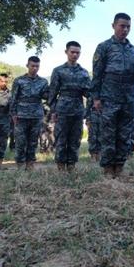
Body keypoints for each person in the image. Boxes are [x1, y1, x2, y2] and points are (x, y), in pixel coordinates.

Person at [90, 13, 134, 178]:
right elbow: (97, 74)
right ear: (113, 25)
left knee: (124, 134)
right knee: (108, 134)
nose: (125, 29)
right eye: (122, 26)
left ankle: (119, 166)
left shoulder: (133, 50)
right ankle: (108, 168)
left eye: (128, 27)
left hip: (128, 98)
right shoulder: (104, 47)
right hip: (109, 97)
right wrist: (96, 98)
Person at [48, 41, 91, 172]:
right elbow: (53, 93)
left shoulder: (84, 73)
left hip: (78, 109)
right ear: (66, 52)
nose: (75, 55)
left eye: (77, 52)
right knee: (61, 138)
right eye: (72, 52)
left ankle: (71, 166)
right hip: (62, 109)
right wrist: (53, 111)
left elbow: (88, 93)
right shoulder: (58, 71)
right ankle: (61, 167)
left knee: (75, 139)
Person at [10, 56, 49, 170]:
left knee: (33, 141)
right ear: (27, 65)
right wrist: (13, 114)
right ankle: (20, 165)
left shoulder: (43, 81)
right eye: (32, 66)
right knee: (20, 142)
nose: (35, 68)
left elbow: (45, 96)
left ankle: (30, 164)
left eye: (37, 66)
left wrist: (53, 91)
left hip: (36, 114)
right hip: (21, 115)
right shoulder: (19, 80)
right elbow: (13, 98)